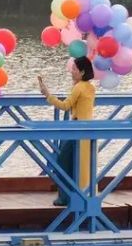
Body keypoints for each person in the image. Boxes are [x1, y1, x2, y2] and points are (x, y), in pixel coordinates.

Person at [38, 56, 97, 206]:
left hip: (76, 129)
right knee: (78, 163)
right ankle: (80, 192)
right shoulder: (90, 87)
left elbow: (65, 106)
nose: (71, 71)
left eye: (74, 69)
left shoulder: (79, 87)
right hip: (87, 129)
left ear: (82, 72)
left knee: (62, 162)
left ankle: (65, 196)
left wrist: (47, 95)